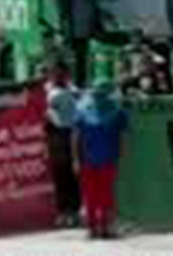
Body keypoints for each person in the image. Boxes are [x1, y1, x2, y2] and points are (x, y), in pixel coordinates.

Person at [74, 79, 129, 239]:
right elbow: (123, 136)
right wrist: (120, 155)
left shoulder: (83, 108)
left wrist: (76, 159)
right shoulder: (117, 110)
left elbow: (75, 136)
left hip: (92, 158)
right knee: (103, 194)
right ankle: (101, 228)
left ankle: (95, 228)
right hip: (103, 158)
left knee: (93, 194)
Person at [45, 63, 81, 227]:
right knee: (59, 176)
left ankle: (74, 211)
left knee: (72, 176)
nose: (58, 77)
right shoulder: (45, 91)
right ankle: (62, 211)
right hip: (55, 136)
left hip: (71, 135)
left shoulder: (74, 91)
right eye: (55, 73)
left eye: (62, 74)